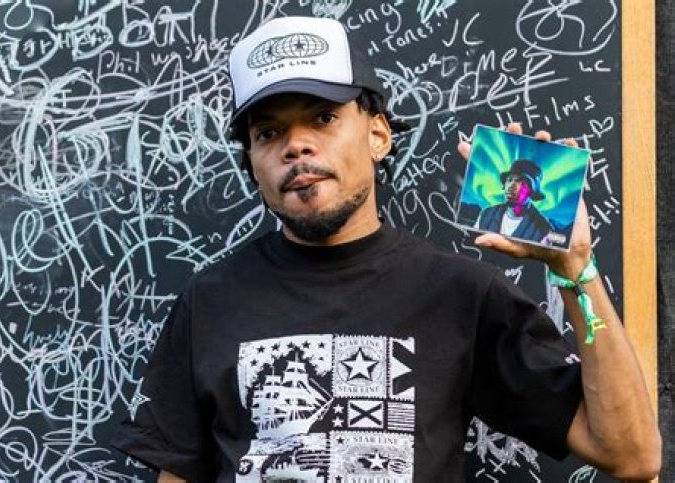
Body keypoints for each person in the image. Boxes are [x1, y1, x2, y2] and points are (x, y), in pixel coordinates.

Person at [111, 16, 661, 482]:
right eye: (268, 133)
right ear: (252, 163)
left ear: (378, 135)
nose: (296, 145)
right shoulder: (210, 302)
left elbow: (631, 455)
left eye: (323, 118)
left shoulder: (459, 295)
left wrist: (574, 267)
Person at [476, 159, 554, 243]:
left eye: (519, 181)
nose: (511, 185)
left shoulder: (543, 229)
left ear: (531, 190)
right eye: (509, 180)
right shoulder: (487, 214)